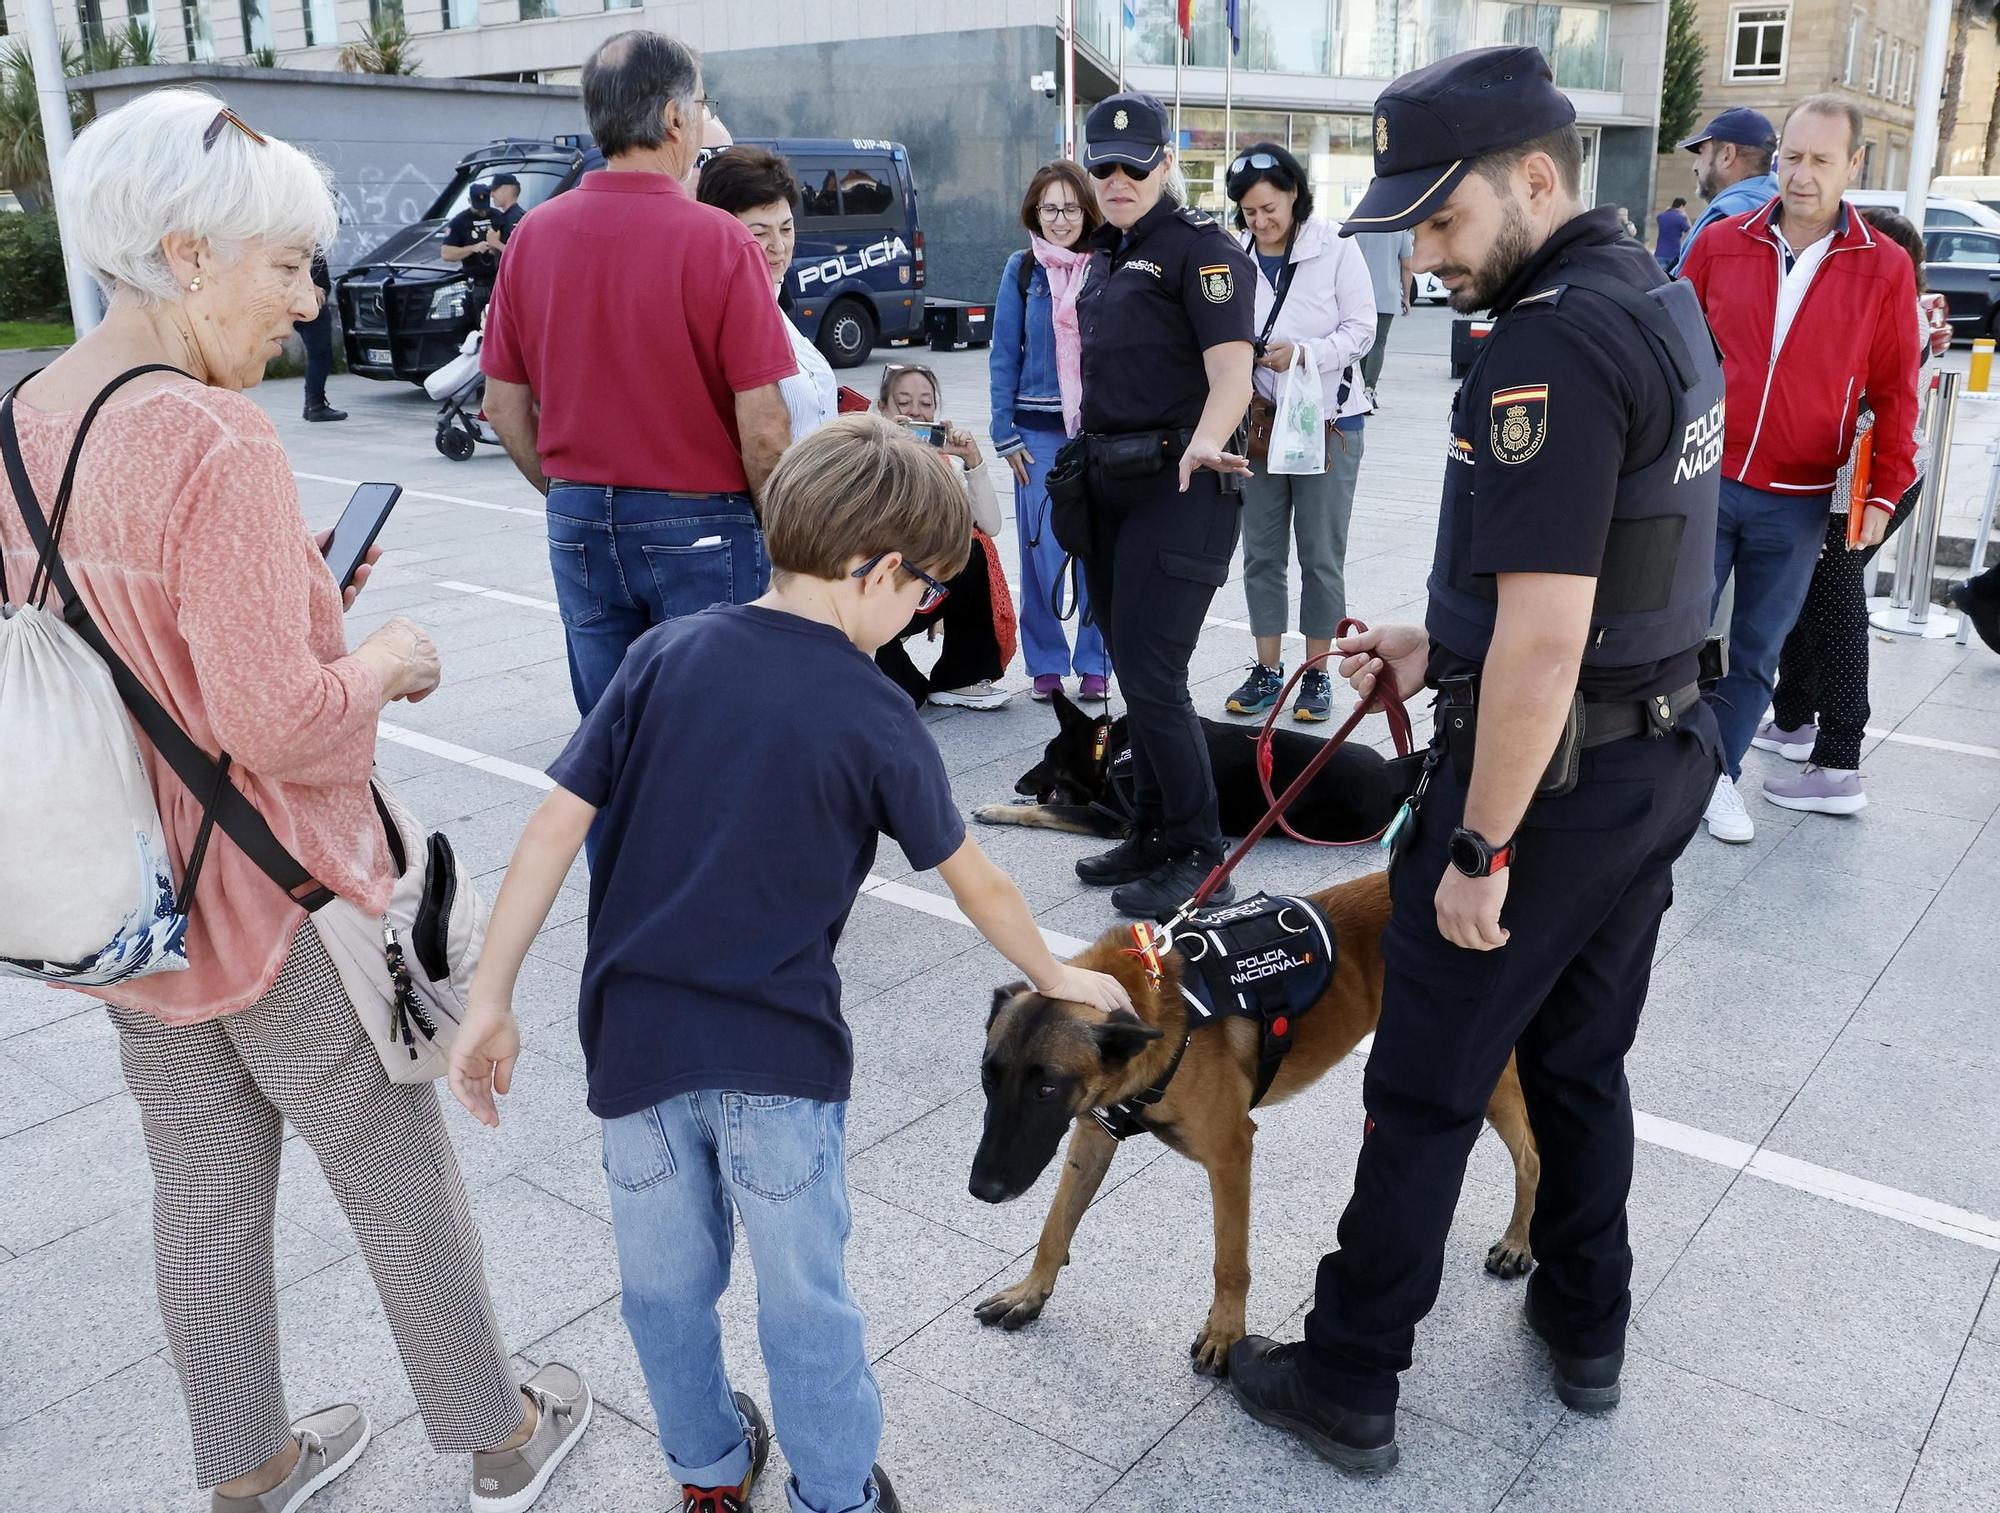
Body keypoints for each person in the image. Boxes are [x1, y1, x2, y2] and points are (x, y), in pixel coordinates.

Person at [0, 88, 589, 1513]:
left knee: (202, 1196)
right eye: (285, 266)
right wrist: (383, 659)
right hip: (277, 901)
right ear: (187, 255)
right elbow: (278, 727)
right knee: (397, 1174)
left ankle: (248, 1466)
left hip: (128, 904)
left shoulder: (20, 419)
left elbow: (96, 640)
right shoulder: (214, 437)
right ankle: (501, 1436)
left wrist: (295, 586)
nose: (308, 301)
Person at [446, 417, 1132, 1513]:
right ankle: (835, 1494)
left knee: (663, 1292)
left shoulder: (663, 654)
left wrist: (490, 998)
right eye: (926, 592)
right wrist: (1057, 970)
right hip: (779, 1058)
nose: (924, 613)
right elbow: (978, 884)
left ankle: (709, 1473)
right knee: (805, 1299)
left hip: (635, 1048)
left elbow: (550, 830)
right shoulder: (875, 710)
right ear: (875, 569)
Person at [1223, 47, 1725, 1470]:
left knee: (1427, 1082)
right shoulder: (1653, 295)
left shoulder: (1547, 345)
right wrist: (1434, 642)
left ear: (1537, 179)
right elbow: (1620, 563)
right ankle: (1585, 1324)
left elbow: (1548, 640)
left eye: (1442, 222)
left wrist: (1478, 846)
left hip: (1549, 789)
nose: (1425, 260)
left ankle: (1348, 1376)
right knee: (1578, 1059)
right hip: (1652, 755)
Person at [481, 30, 796, 718]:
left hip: (578, 514)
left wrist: (570, 492)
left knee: (611, 732)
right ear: (676, 117)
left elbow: (502, 406)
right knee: (714, 732)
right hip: (701, 518)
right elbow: (765, 425)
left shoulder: (532, 235)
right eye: (702, 106)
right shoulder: (718, 239)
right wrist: (780, 529)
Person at [1681, 94, 1918, 844]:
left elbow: (1896, 390)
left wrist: (1883, 491)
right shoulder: (1722, 242)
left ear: (1854, 165)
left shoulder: (1885, 268)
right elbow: (1669, 348)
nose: (1801, 175)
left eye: (1821, 160)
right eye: (1791, 157)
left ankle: (1715, 777)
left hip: (1800, 498)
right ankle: (1648, 766)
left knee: (1756, 650)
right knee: (1669, 633)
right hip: (1705, 479)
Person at [1069, 90, 1256, 919]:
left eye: (1134, 167)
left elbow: (1233, 376)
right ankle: (1151, 828)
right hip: (1113, 485)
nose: (1117, 179)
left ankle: (1201, 854)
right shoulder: (1109, 252)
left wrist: (1206, 441)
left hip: (1183, 485)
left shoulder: (1202, 250)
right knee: (1129, 667)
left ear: (1167, 164)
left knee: (1154, 672)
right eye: (1103, 167)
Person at [1757, 208, 1953, 813]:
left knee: (1835, 606)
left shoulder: (1890, 310)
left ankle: (1839, 763)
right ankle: (1794, 720)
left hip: (1862, 486)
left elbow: (1862, 401)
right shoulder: (1901, 308)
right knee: (1809, 596)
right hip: (1854, 483)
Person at [1220, 141, 1376, 724]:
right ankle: (1266, 670)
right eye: (1249, 212)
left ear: (1294, 195)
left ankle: (1316, 674)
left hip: (1327, 422)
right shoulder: (1233, 252)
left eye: (1269, 208)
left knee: (1320, 555)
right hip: (1260, 426)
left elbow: (1362, 329)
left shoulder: (1335, 245)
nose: (1260, 222)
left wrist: (1304, 354)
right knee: (1261, 552)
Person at [990, 158, 1111, 703]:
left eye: (1070, 208)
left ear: (1087, 211)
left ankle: (1096, 661)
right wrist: (1003, 431)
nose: (1060, 219)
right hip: (1035, 435)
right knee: (1041, 553)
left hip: (1097, 433)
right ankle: (1045, 661)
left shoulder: (1107, 264)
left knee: (1098, 551)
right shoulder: (1022, 270)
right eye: (1049, 209)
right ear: (1034, 213)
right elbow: (1003, 353)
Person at [872, 363, 1014, 709]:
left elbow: (991, 525)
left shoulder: (942, 465)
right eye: (903, 402)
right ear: (882, 409)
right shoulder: (865, 457)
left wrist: (973, 463)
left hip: (920, 592)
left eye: (926, 403)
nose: (915, 412)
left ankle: (960, 677)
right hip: (869, 600)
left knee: (975, 547)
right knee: (904, 696)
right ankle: (867, 660)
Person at [697, 145, 838, 440]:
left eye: (786, 229)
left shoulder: (774, 304)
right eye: (759, 233)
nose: (778, 246)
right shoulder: (723, 320)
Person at [1671, 107, 1779, 274]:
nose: (1695, 166)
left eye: (1702, 153)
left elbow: (1689, 287)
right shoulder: (1777, 210)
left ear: (1727, 155)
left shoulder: (1727, 221)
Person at [440, 173, 524, 327]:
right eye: (478, 207)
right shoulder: (460, 221)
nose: (482, 211)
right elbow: (446, 254)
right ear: (469, 201)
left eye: (484, 205)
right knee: (481, 326)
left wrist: (494, 246)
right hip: (478, 283)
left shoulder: (500, 216)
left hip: (498, 280)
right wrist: (474, 248)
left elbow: (515, 251)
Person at [1351, 228, 1413, 403]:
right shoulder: (1401, 228)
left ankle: (1365, 389)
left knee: (1364, 340)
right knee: (1379, 341)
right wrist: (1406, 297)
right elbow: (1407, 266)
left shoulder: (1361, 225)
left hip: (1360, 291)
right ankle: (1369, 389)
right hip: (1388, 292)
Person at [296, 251, 345, 422]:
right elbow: (294, 259)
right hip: (311, 301)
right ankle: (316, 406)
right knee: (320, 355)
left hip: (308, 299)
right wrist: (312, 285)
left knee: (317, 355)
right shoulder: (301, 237)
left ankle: (311, 406)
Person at [1654, 196, 1690, 268]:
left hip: (1660, 252)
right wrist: (1686, 217)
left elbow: (1659, 217)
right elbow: (1689, 230)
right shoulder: (1681, 218)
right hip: (1674, 253)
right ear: (1681, 206)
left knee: (1660, 274)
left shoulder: (1661, 216)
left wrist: (1667, 211)